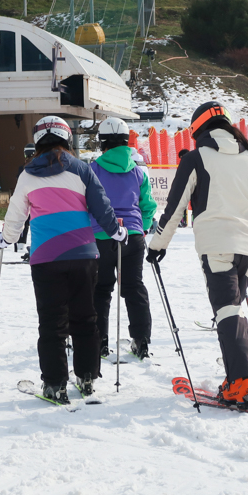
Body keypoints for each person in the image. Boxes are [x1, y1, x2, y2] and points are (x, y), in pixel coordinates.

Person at [0, 116, 124, 404]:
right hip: (83, 254)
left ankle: (55, 384)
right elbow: (102, 206)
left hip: (45, 257)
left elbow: (16, 217)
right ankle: (87, 376)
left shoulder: (27, 175)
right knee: (85, 318)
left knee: (52, 322)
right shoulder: (82, 169)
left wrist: (5, 240)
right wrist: (117, 232)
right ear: (67, 139)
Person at [148, 102, 248, 409]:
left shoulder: (197, 158)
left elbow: (173, 209)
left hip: (217, 245)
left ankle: (241, 383)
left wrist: (157, 245)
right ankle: (237, 379)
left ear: (197, 130)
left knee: (228, 313)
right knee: (233, 311)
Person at [90, 117, 157, 360]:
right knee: (134, 287)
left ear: (102, 142)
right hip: (133, 236)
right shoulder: (138, 172)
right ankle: (141, 340)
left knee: (100, 289)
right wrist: (142, 227)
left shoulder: (93, 169)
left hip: (101, 236)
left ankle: (99, 341)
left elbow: (86, 204)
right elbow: (148, 206)